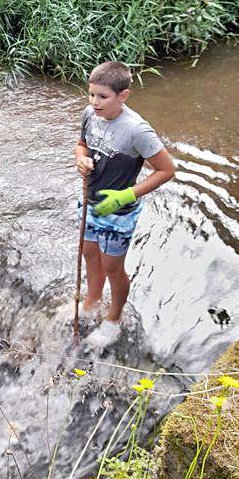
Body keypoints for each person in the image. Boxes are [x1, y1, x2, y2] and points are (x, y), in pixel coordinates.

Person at [75, 61, 175, 348]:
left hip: (119, 212)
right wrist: (80, 159)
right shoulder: (90, 114)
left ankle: (113, 319)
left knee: (112, 267)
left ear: (123, 96)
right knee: (89, 254)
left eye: (103, 97)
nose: (94, 102)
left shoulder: (137, 130)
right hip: (90, 201)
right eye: (91, 94)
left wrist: (127, 195)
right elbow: (81, 145)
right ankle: (92, 302)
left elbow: (167, 170)